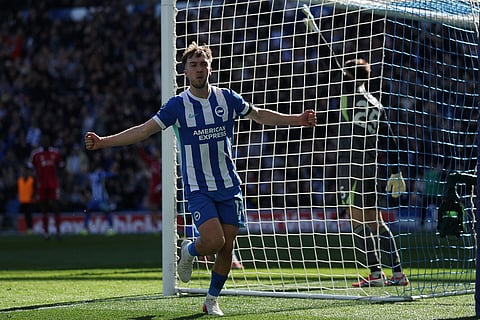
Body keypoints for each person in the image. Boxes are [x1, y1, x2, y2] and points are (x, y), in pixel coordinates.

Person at [85, 42, 317, 316]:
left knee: (227, 247)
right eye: (193, 65)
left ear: (210, 68)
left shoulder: (227, 98)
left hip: (229, 184)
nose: (198, 69)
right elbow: (143, 131)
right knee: (214, 241)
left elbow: (258, 115)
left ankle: (211, 299)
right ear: (185, 71)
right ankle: (190, 250)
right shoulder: (177, 105)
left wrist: (296, 119)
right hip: (198, 188)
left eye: (203, 64)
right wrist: (104, 142)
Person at [331, 59, 408, 287]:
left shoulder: (348, 96)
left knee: (357, 220)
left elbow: (330, 62)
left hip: (350, 166)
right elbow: (391, 140)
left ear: (348, 75)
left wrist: (315, 33)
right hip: (371, 167)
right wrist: (396, 172)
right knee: (376, 222)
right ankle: (397, 273)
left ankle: (375, 274)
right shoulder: (376, 104)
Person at [29, 136, 64, 239]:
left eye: (46, 140)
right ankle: (46, 233)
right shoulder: (36, 154)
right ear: (40, 143)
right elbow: (31, 168)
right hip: (42, 185)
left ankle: (58, 232)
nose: (45, 142)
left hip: (53, 184)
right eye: (43, 141)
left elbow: (61, 167)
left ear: (50, 142)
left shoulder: (55, 153)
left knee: (55, 207)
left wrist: (59, 180)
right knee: (44, 208)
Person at [81, 162, 115, 236]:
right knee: (107, 212)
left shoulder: (92, 175)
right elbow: (111, 175)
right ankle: (111, 229)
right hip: (98, 200)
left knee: (87, 211)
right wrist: (113, 172)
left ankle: (85, 228)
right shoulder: (100, 174)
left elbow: (85, 175)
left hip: (97, 200)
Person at [137, 143, 162, 231]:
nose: (155, 153)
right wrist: (139, 147)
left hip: (162, 188)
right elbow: (143, 157)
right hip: (153, 189)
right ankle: (156, 225)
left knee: (166, 207)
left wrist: (160, 185)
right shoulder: (153, 162)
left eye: (156, 151)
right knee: (154, 208)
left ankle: (168, 224)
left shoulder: (163, 162)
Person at [17, 165, 35, 234]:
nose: (23, 172)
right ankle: (25, 228)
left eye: (24, 170)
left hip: (29, 201)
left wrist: (33, 197)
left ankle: (30, 229)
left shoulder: (31, 180)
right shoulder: (20, 180)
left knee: (29, 215)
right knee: (25, 216)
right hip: (22, 201)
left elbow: (34, 190)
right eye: (22, 170)